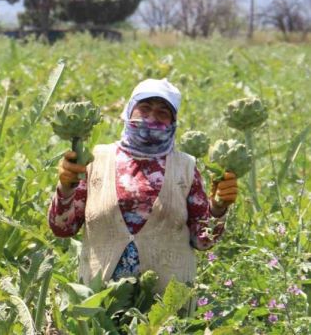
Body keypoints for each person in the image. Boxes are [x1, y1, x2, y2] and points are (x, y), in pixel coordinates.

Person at [49, 78, 238, 293]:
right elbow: (63, 228)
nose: (151, 117)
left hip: (165, 306)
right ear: (129, 112)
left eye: (163, 113)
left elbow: (203, 241)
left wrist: (218, 208)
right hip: (99, 300)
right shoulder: (95, 160)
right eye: (144, 108)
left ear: (173, 123)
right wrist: (65, 189)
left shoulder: (186, 167)